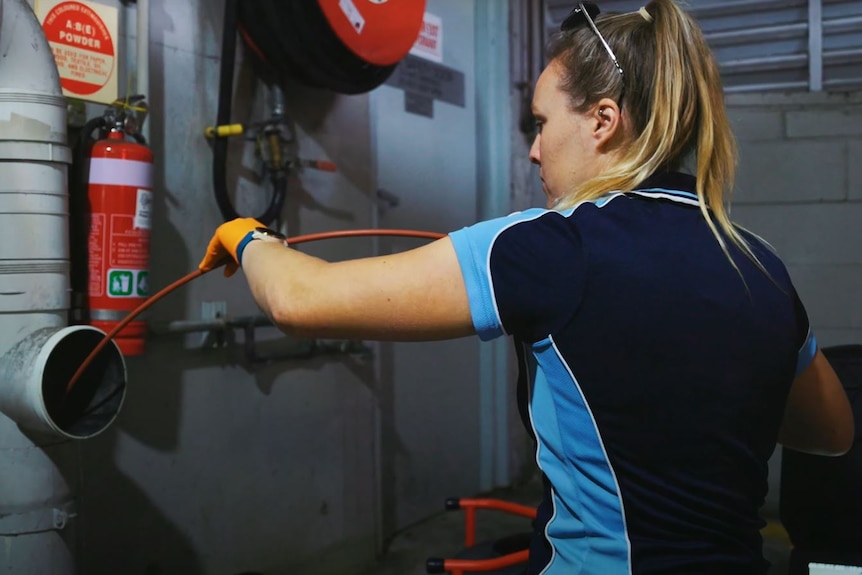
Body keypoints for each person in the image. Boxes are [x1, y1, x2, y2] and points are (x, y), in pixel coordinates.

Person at [199, 1, 854, 573]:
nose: (535, 151)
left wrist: (249, 237)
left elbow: (300, 299)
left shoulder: (551, 246)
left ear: (602, 121)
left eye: (540, 123)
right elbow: (831, 431)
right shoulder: (760, 264)